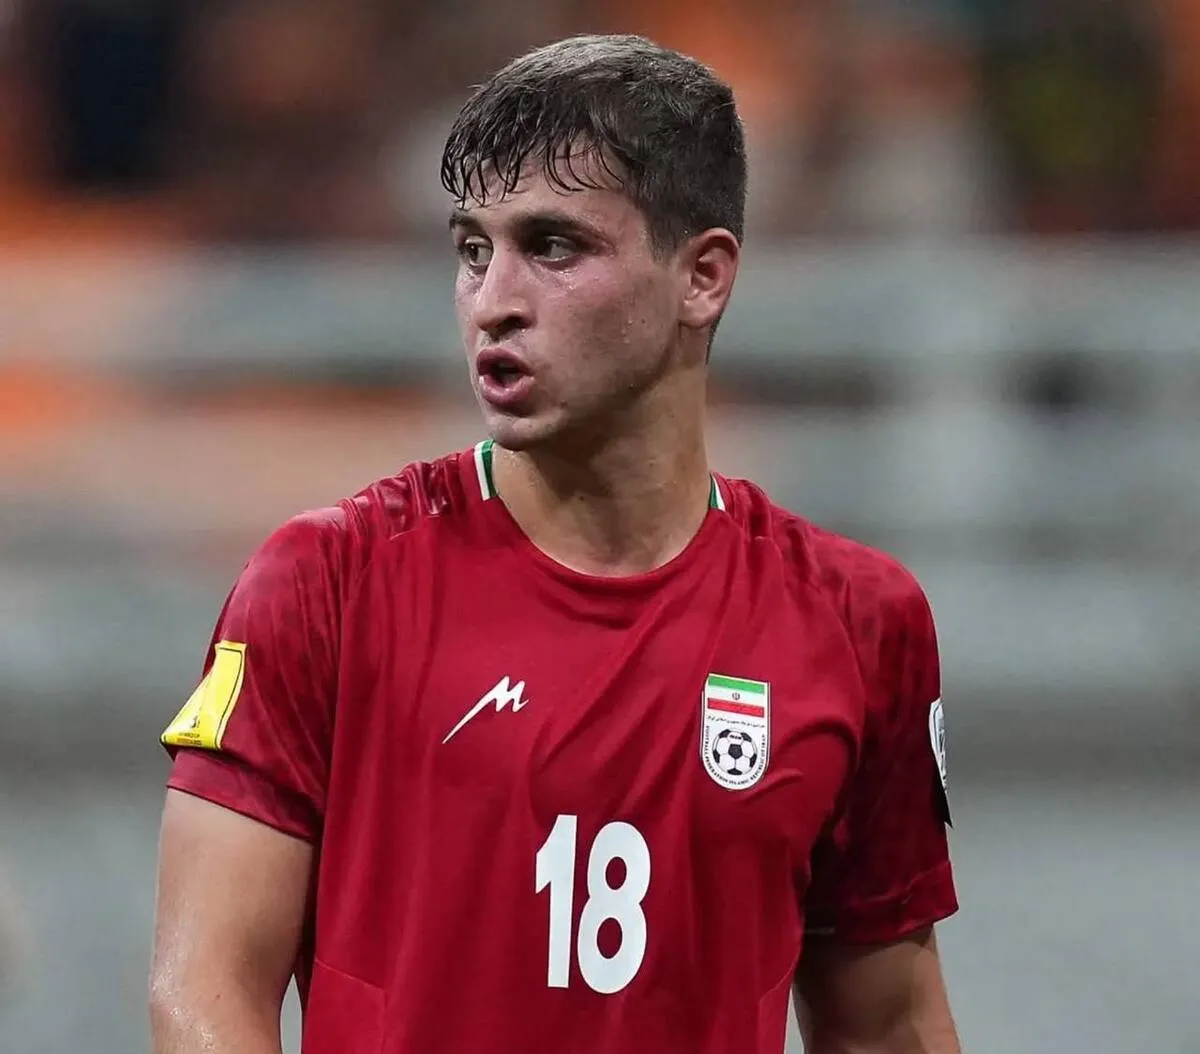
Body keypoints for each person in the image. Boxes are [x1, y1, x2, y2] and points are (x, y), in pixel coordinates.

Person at [149, 33, 961, 1054]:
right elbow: (204, 988)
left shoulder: (857, 624)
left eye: (554, 247)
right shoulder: (326, 584)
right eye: (472, 250)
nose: (494, 302)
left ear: (703, 278)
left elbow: (886, 1027)